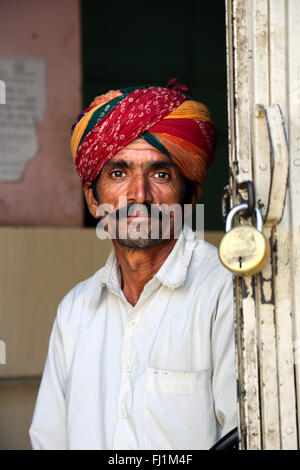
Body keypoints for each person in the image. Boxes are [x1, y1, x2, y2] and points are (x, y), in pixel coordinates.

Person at [29, 79, 237, 450]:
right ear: (93, 200)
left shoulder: (223, 295)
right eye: (119, 173)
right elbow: (49, 440)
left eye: (160, 174)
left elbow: (249, 434)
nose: (139, 195)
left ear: (190, 196)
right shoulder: (76, 311)